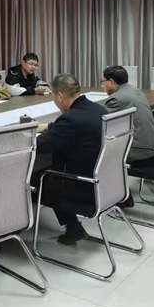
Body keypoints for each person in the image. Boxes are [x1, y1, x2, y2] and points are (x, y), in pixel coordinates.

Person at [35, 73, 107, 245]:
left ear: (59, 95)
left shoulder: (71, 118)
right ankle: (73, 227)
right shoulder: (99, 110)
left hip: (81, 186)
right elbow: (76, 127)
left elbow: (40, 145)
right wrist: (51, 126)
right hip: (103, 180)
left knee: (32, 180)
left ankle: (72, 227)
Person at [101, 65, 154, 207]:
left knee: (99, 154)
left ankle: (120, 198)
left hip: (140, 154)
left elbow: (101, 124)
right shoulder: (135, 91)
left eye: (102, 82)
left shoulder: (116, 99)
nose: (102, 85)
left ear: (111, 82)